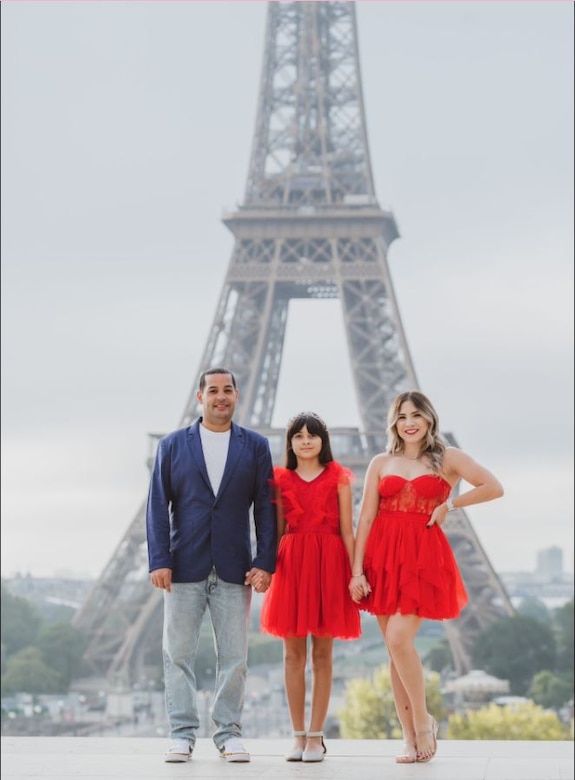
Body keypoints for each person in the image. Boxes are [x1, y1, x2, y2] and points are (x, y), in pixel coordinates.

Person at [349, 390, 503, 764]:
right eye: (402, 416)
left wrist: (449, 504)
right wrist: (356, 571)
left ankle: (422, 721)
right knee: (393, 649)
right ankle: (408, 736)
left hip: (422, 556)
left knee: (400, 639)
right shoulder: (380, 461)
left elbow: (493, 487)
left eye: (416, 414)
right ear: (394, 423)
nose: (409, 422)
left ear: (429, 418)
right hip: (381, 557)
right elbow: (366, 517)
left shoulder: (448, 458)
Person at [146, 367, 277, 764]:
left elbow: (266, 510)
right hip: (184, 564)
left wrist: (264, 560)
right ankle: (182, 733)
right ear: (200, 397)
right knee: (178, 652)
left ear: (237, 396)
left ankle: (228, 733)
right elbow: (156, 506)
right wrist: (159, 559)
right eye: (213, 390)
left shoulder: (254, 446)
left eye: (228, 390)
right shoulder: (172, 446)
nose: (221, 397)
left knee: (235, 654)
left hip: (235, 566)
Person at [260, 412, 361, 763]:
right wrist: (266, 570)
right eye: (298, 435)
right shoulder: (280, 479)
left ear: (323, 440)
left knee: (322, 655)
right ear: (289, 443)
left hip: (330, 565)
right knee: (292, 656)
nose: (305, 440)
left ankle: (317, 736)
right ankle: (298, 735)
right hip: (292, 566)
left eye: (312, 435)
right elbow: (274, 532)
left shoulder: (339, 478)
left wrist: (356, 572)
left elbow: (348, 531)